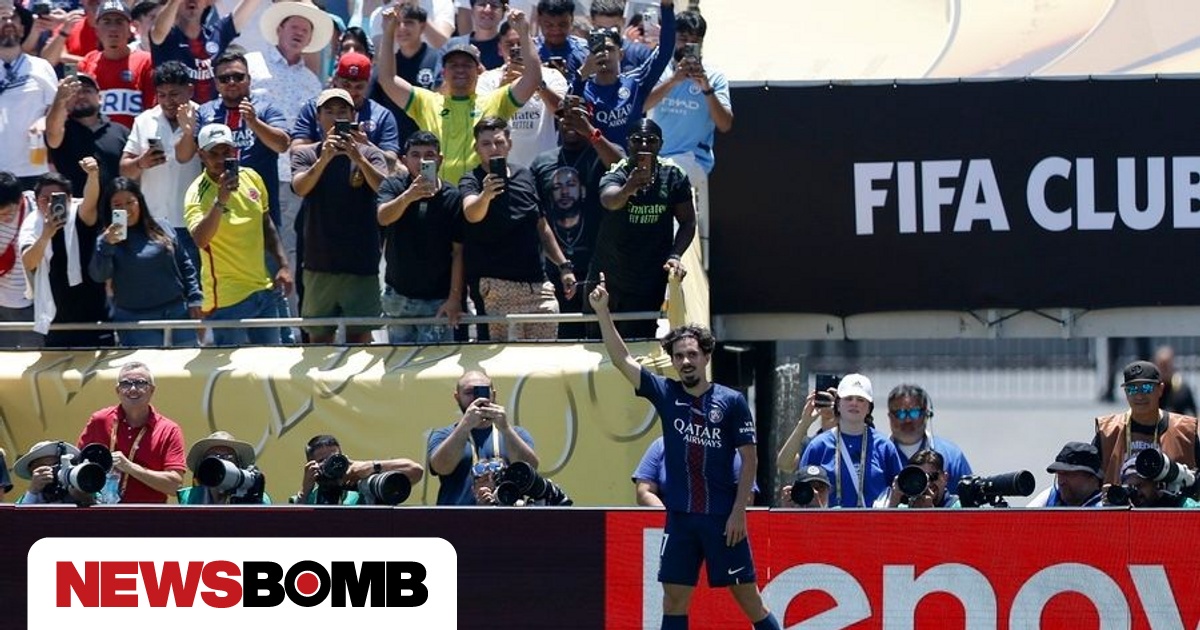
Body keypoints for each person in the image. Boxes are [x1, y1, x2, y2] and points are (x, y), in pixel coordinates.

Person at [589, 282, 781, 630]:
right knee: (674, 600)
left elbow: (750, 460)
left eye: (692, 354)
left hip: (723, 520)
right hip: (680, 520)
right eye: (679, 356)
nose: (686, 361)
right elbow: (622, 360)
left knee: (750, 601)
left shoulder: (732, 401)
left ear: (706, 357)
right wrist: (603, 312)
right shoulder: (666, 392)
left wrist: (739, 513)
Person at [376, 5, 541, 185]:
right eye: (454, 65)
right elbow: (387, 79)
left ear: (478, 71)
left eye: (467, 65)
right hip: (439, 195)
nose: (460, 69)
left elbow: (532, 79)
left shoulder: (495, 100)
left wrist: (524, 33)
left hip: (481, 194)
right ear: (444, 72)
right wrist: (388, 32)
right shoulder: (426, 102)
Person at [459, 116, 575, 341]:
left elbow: (541, 226)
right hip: (496, 288)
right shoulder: (471, 179)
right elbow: (471, 213)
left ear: (509, 144)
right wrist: (486, 195)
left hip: (537, 286)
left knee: (545, 354)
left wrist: (564, 266)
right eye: (486, 143)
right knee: (503, 358)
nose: (494, 149)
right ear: (476, 148)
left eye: (499, 142)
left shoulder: (525, 175)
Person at [290, 88, 388, 343]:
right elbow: (300, 188)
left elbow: (384, 188)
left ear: (353, 116)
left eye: (342, 111)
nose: (336, 117)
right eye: (329, 111)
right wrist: (324, 159)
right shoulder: (306, 153)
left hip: (361, 263)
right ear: (318, 117)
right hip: (319, 262)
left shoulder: (370, 153)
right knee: (319, 339)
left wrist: (359, 157)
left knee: (361, 340)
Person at [184, 122, 293, 345]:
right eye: (213, 153)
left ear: (235, 151)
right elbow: (200, 239)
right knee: (231, 366)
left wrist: (283, 265)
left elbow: (266, 224)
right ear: (201, 155)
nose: (221, 159)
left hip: (263, 290)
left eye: (226, 151)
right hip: (227, 299)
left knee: (271, 361)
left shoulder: (252, 177)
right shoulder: (196, 193)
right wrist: (220, 200)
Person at [591, 118, 694, 339]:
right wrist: (627, 189)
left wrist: (675, 255)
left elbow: (687, 221)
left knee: (640, 342)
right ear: (628, 143)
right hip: (609, 275)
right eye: (637, 140)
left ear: (661, 144)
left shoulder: (674, 175)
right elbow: (609, 201)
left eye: (651, 140)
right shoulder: (618, 172)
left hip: (649, 278)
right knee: (597, 341)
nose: (644, 145)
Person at [644, 9, 732, 265]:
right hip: (655, 158)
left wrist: (706, 88)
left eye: (695, 40)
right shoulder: (659, 69)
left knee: (668, 180)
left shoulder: (714, 77)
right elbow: (641, 106)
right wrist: (674, 80)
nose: (688, 45)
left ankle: (672, 257)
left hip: (693, 160)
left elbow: (725, 124)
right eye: (683, 38)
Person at [528, 99, 622, 338]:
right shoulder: (541, 162)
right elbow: (536, 218)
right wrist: (560, 265)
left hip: (599, 267)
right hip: (556, 270)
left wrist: (589, 132)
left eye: (576, 116)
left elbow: (623, 167)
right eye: (563, 116)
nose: (568, 121)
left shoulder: (601, 153)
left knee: (600, 338)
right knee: (564, 341)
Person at [87, 176, 202, 347]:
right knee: (147, 364)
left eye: (130, 202)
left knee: (187, 361)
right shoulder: (106, 239)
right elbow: (99, 275)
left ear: (139, 202)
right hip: (136, 320)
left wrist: (195, 298)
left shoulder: (162, 226)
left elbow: (185, 264)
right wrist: (107, 245)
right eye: (117, 205)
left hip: (177, 311)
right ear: (109, 209)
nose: (125, 209)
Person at [377, 130, 464, 343]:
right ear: (404, 160)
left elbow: (459, 252)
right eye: (415, 155)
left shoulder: (452, 197)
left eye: (429, 155)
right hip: (398, 297)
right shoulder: (393, 186)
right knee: (399, 362)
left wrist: (455, 297)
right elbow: (383, 217)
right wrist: (409, 196)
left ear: (440, 160)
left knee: (438, 362)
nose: (422, 161)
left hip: (438, 300)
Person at [120, 60, 204, 271]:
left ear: (190, 90)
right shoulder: (144, 120)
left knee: (194, 286)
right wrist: (141, 162)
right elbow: (124, 170)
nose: (168, 101)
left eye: (174, 94)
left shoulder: (205, 117)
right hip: (153, 222)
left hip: (193, 223)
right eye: (162, 95)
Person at [18, 166, 113, 347]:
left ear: (69, 199)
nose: (50, 204)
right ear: (36, 201)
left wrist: (93, 175)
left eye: (56, 198)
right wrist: (46, 235)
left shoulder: (79, 214)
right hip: (56, 315)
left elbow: (90, 201)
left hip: (93, 311)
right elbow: (29, 262)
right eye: (45, 199)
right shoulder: (32, 225)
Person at [76, 361, 187, 504]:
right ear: (118, 390)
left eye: (140, 383)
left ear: (152, 390)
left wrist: (130, 467)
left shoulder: (169, 430)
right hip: (100, 512)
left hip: (147, 515)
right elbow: (76, 465)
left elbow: (175, 486)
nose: (133, 389)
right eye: (126, 384)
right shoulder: (99, 420)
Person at [427, 371, 539, 505]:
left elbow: (530, 469)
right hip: (457, 516)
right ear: (457, 397)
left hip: (506, 516)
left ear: (493, 395)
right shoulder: (444, 435)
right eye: (469, 393)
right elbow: (441, 467)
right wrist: (465, 426)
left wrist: (506, 429)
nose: (476, 398)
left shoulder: (516, 434)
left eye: (483, 391)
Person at [574, 0, 673, 147]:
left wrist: (666, 7)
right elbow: (566, 112)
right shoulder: (582, 87)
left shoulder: (635, 83)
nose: (604, 54)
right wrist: (582, 74)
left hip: (628, 160)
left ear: (620, 54)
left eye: (610, 49)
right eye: (599, 49)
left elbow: (665, 51)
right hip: (590, 159)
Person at [798, 373, 905, 508]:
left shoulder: (884, 447)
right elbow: (801, 493)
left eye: (861, 399)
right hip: (828, 521)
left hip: (875, 521)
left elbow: (899, 491)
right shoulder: (818, 446)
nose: (854, 403)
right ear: (838, 404)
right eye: (848, 398)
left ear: (869, 408)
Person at [1092, 360, 1200, 485]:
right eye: (1132, 389)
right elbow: (1089, 481)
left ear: (1160, 389)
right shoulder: (1107, 432)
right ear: (1126, 393)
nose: (1139, 396)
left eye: (1146, 388)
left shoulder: (1185, 431)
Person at [476, 21, 568, 167]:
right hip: (506, 166)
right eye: (509, 45)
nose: (516, 49)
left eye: (521, 44)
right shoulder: (487, 79)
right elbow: (483, 119)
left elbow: (561, 112)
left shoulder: (551, 76)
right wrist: (503, 87)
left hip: (544, 165)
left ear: (533, 46)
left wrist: (535, 81)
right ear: (500, 48)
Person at [149, 0, 258, 105]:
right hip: (172, 113)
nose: (191, 0)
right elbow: (158, 33)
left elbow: (249, 5)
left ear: (208, 2)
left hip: (210, 115)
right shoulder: (166, 38)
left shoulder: (217, 34)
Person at [366, 3, 442, 148]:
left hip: (431, 145)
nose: (402, 28)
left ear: (422, 26)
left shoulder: (438, 60)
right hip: (396, 147)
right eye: (397, 23)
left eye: (409, 23)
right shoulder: (387, 67)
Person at [0, 5, 58, 190]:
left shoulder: (41, 67)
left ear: (23, 29)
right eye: (2, 18)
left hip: (31, 169)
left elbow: (57, 109)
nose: (8, 23)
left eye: (14, 18)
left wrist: (43, 121)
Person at [76, 0, 156, 130]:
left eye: (119, 22)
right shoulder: (87, 62)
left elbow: (153, 111)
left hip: (134, 139)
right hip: (95, 139)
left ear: (130, 29)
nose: (113, 28)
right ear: (97, 30)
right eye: (107, 22)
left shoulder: (146, 62)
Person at [46, 73, 129, 197]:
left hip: (114, 205)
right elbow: (52, 134)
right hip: (74, 205)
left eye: (87, 91)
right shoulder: (62, 130)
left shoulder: (121, 132)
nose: (81, 96)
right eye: (74, 93)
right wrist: (60, 99)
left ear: (100, 98)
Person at [884, 383, 973, 489]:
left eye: (914, 412)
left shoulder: (951, 456)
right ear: (890, 416)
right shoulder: (878, 455)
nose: (907, 420)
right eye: (900, 413)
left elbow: (970, 495)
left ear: (927, 414)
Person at [293, 433, 424, 505]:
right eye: (322, 461)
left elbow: (416, 470)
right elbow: (293, 527)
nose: (331, 465)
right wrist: (305, 491)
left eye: (333, 458)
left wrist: (372, 466)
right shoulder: (308, 497)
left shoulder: (362, 486)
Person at [632, 436, 756, 507]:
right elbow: (644, 492)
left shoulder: (731, 450)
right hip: (669, 526)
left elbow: (747, 497)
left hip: (718, 525)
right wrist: (669, 521)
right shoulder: (661, 445)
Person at [0, 172, 40, 347]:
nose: (5, 218)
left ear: (19, 199)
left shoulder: (36, 207)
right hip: (2, 301)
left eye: (9, 212)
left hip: (28, 302)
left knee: (31, 355)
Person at [177, 430, 271, 504]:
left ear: (238, 465)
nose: (221, 462)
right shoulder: (189, 498)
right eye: (214, 456)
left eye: (228, 457)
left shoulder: (256, 498)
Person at [12, 440, 96, 505]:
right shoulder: (32, 496)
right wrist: (32, 491)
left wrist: (87, 500)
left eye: (57, 464)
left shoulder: (83, 488)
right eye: (43, 466)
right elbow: (17, 519)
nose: (52, 470)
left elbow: (101, 517)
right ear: (32, 472)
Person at [1027, 441, 1104, 508]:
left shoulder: (1106, 507)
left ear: (1092, 477)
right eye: (1059, 474)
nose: (1061, 482)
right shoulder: (1051, 496)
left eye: (1068, 474)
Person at [1107, 453, 1200, 508]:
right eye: (1129, 487)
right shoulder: (1127, 514)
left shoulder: (1185, 507)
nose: (1137, 493)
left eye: (1140, 485)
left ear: (1156, 484)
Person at [877, 448, 960, 508]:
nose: (927, 484)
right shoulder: (902, 509)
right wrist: (894, 501)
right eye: (919, 478)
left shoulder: (959, 507)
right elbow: (886, 526)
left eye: (932, 477)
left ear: (945, 478)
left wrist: (930, 513)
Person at [588, 0, 652, 73]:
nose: (608, 36)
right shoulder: (583, 52)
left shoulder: (640, 53)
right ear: (592, 22)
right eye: (602, 30)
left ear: (623, 21)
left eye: (614, 30)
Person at [443, 0, 506, 70]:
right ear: (472, 10)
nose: (487, 10)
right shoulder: (451, 45)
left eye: (494, 5)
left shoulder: (508, 46)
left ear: (503, 13)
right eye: (482, 4)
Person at [534, 0, 587, 78]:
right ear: (539, 21)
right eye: (549, 25)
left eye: (562, 25)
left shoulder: (584, 50)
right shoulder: (529, 52)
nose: (556, 30)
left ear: (571, 20)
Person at [1155, 345, 1197, 416]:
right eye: (1162, 365)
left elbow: (1193, 413)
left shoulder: (1182, 389)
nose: (1165, 369)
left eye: (1167, 365)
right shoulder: (1152, 391)